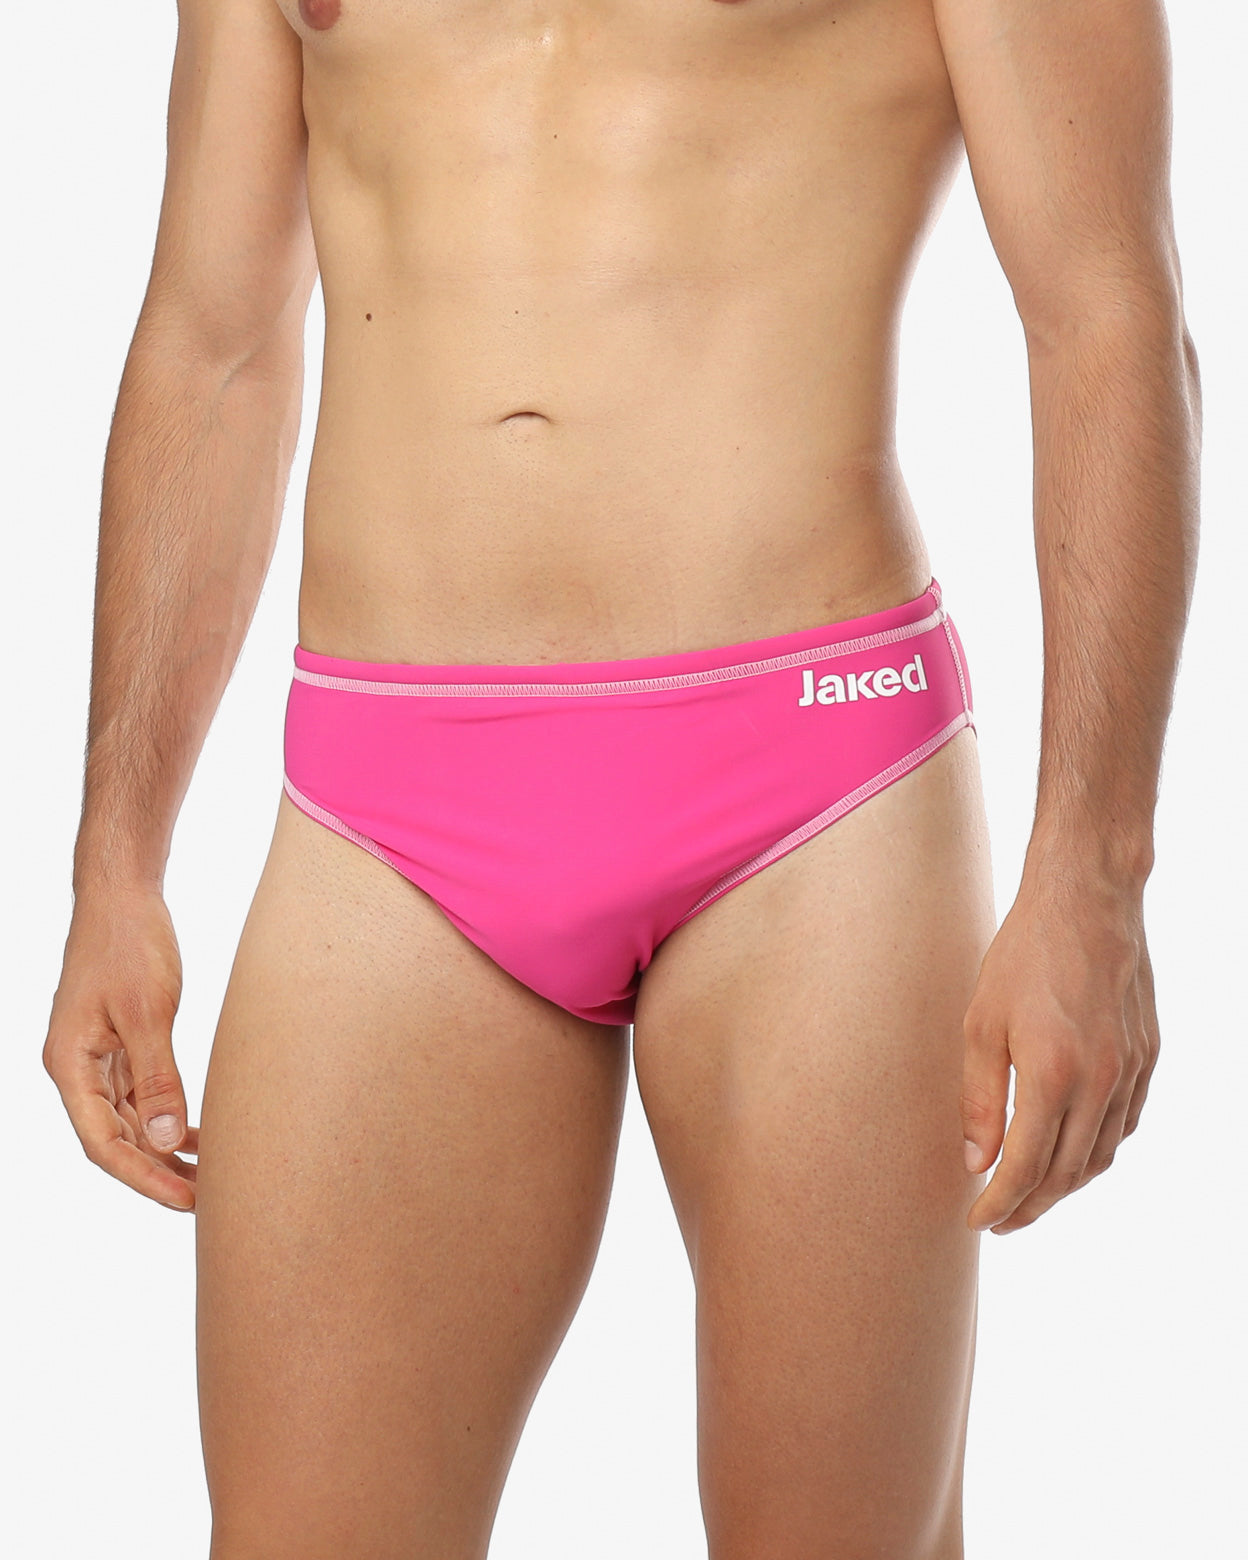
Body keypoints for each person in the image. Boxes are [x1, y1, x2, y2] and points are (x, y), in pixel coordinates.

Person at [41, 0, 1200, 1555]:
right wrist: (115, 860)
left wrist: (1095, 875)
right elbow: (215, 337)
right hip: (389, 802)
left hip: (812, 783)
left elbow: (1107, 310)